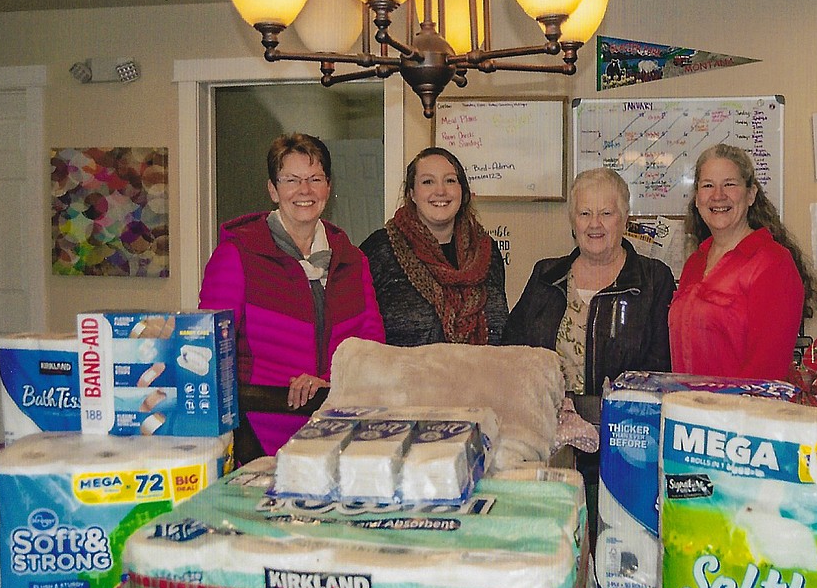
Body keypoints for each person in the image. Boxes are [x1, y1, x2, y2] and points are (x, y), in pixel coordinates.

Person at [199, 133, 385, 458]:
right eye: (291, 180)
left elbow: (371, 346)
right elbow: (211, 348)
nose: (305, 190)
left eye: (315, 179)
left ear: (328, 187)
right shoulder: (236, 255)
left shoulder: (354, 260)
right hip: (258, 433)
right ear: (273, 189)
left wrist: (329, 380)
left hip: (338, 429)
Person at [503, 167, 675, 413]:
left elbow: (661, 367)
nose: (595, 224)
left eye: (606, 213)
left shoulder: (654, 279)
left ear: (625, 218)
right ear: (573, 220)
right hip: (546, 424)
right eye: (585, 213)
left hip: (623, 427)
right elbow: (512, 351)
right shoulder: (546, 275)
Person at [669, 143, 817, 381]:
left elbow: (766, 374)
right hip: (689, 411)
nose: (718, 195)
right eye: (708, 185)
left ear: (751, 195)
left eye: (730, 184)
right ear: (697, 199)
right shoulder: (695, 263)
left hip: (739, 414)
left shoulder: (773, 264)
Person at [360, 147, 508, 346]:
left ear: (462, 192)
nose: (440, 191)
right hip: (404, 376)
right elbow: (357, 333)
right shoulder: (380, 250)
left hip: (483, 375)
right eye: (428, 181)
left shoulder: (487, 253)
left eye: (450, 180)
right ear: (412, 193)